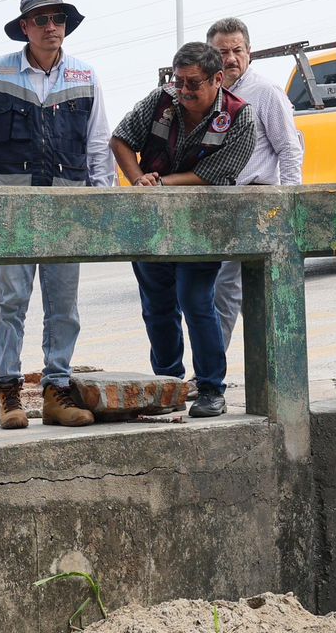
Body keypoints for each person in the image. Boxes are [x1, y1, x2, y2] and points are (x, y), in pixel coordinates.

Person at [0, 0, 114, 431]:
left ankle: (56, 390)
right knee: (11, 302)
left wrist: (101, 203)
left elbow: (99, 144)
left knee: (64, 306)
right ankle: (8, 391)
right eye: (42, 20)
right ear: (25, 27)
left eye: (58, 19)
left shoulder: (86, 75)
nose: (51, 27)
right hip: (11, 209)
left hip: (68, 209)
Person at [110, 41, 257, 419]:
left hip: (202, 225)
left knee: (196, 300)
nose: (185, 90)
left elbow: (217, 173)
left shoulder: (240, 117)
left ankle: (210, 388)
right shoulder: (160, 100)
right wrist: (139, 179)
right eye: (179, 81)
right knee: (157, 306)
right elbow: (120, 139)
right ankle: (167, 385)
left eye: (194, 83)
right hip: (151, 225)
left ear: (218, 79)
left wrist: (161, 184)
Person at [204, 17, 305, 344]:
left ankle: (224, 365)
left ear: (250, 52)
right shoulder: (210, 94)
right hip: (219, 206)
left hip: (258, 203)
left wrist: (291, 204)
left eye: (237, 50)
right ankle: (215, 366)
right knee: (223, 293)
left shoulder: (265, 92)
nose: (231, 58)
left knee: (239, 292)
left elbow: (289, 149)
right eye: (222, 52)